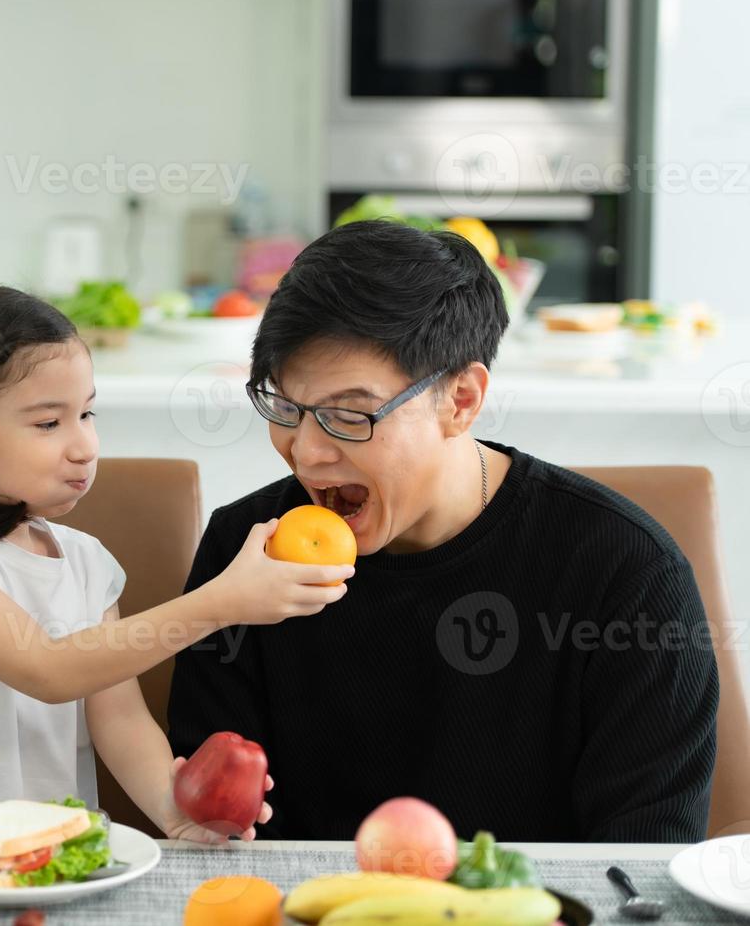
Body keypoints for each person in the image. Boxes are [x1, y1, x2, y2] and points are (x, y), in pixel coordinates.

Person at [168, 220, 718, 843]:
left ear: (460, 400)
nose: (308, 452)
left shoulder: (625, 571)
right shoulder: (245, 557)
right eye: (287, 408)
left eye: (349, 414)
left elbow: (646, 859)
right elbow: (215, 830)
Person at [0, 285, 355, 837]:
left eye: (87, 413)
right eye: (49, 423)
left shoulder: (86, 562)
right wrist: (221, 603)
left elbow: (118, 719)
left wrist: (176, 811)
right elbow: (45, 669)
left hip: (50, 860)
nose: (85, 445)